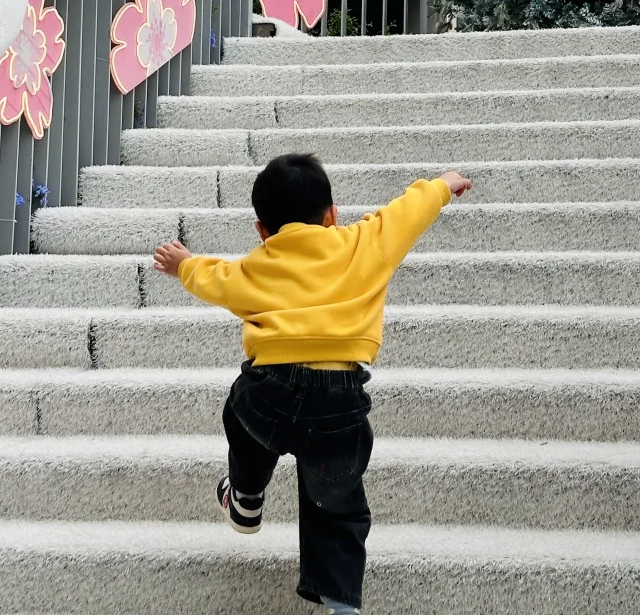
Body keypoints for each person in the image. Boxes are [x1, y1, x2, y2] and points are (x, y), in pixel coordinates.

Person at [153, 152, 473, 615]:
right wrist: (442, 184)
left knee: (240, 417)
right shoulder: (363, 244)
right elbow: (407, 213)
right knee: (338, 507)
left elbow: (215, 279)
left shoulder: (257, 265)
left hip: (269, 394)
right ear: (331, 216)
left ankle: (245, 495)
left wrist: (183, 264)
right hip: (339, 404)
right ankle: (341, 604)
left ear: (262, 230)